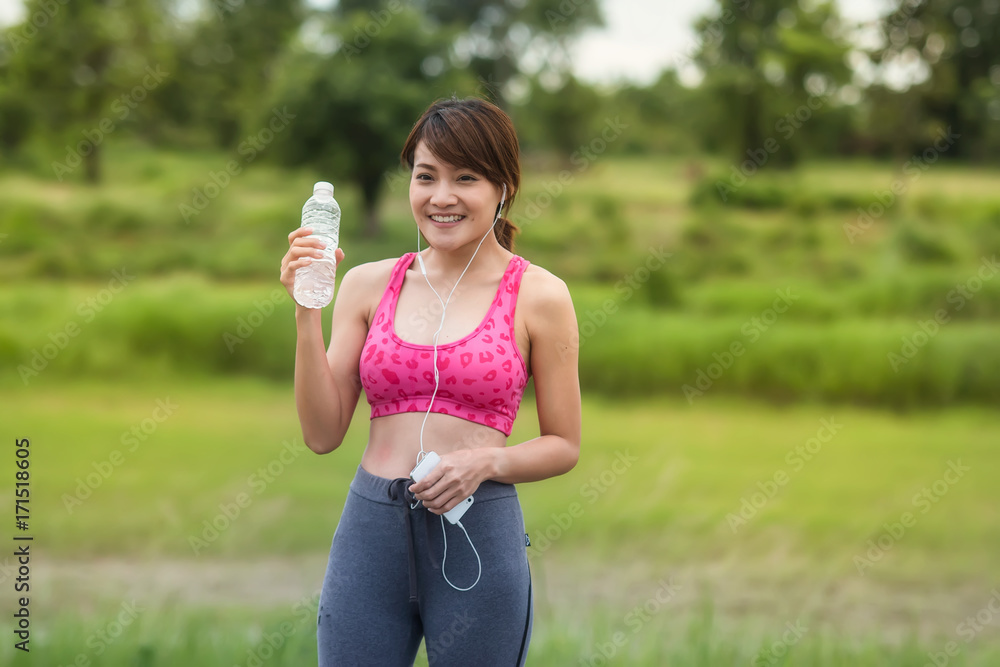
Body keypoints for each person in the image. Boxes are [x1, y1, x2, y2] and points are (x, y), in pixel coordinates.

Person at [278, 96, 582, 666]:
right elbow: (321, 433)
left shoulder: (540, 295)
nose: (442, 197)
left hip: (478, 533)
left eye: (465, 177)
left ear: (503, 187)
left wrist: (484, 464)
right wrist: (306, 309)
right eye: (426, 176)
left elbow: (564, 445)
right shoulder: (368, 285)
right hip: (372, 532)